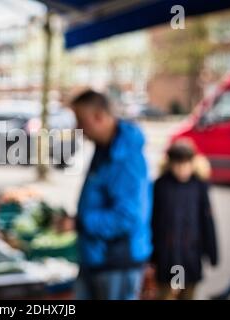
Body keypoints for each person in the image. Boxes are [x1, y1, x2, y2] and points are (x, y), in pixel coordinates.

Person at [72, 90, 152, 300]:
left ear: (99, 117)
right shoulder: (104, 149)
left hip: (116, 261)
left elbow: (126, 217)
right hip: (96, 257)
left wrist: (81, 223)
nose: (78, 128)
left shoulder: (126, 159)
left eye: (81, 120)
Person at [151, 140, 218, 300]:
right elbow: (152, 220)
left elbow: (207, 221)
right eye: (177, 164)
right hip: (168, 257)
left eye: (186, 164)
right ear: (170, 164)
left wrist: (212, 252)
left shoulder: (199, 186)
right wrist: (150, 256)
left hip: (190, 256)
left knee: (187, 294)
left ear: (193, 163)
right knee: (168, 294)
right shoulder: (161, 185)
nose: (182, 169)